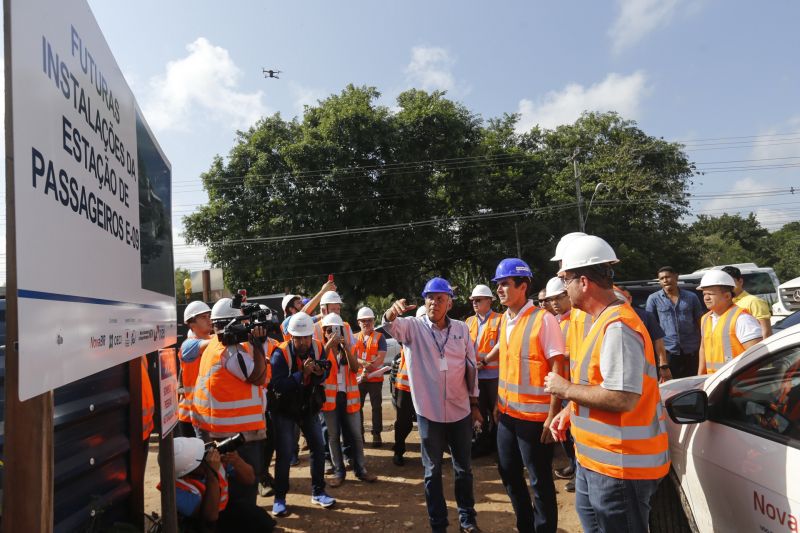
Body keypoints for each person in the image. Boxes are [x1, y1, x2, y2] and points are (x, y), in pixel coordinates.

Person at [544, 235, 670, 532]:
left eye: (566, 280)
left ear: (583, 282)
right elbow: (597, 383)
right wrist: (570, 409)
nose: (564, 288)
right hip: (597, 460)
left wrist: (564, 389)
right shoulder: (600, 320)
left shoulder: (618, 326)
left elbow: (622, 398)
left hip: (621, 467)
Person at [382, 278, 483, 533]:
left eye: (440, 298)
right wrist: (391, 312)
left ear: (449, 303)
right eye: (430, 297)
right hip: (429, 413)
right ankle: (438, 523)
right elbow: (390, 325)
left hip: (460, 411)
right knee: (432, 471)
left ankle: (467, 519)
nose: (434, 303)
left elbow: (471, 366)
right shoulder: (412, 327)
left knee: (463, 469)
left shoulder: (461, 328)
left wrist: (474, 404)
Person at [492, 260, 565, 533]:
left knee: (539, 479)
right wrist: (499, 403)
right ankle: (526, 526)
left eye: (505, 284)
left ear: (523, 286)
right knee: (508, 472)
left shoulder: (543, 320)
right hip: (507, 414)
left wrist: (552, 414)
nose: (499, 289)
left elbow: (558, 367)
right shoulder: (505, 320)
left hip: (535, 418)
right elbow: (508, 364)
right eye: (498, 284)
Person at [191, 297, 268, 511]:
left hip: (221, 429)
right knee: (244, 490)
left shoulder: (215, 346)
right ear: (230, 323)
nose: (247, 327)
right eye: (243, 323)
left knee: (228, 490)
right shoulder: (230, 351)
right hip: (237, 434)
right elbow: (259, 377)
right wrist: (259, 345)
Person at [269, 312, 336, 516]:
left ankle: (318, 492)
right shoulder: (281, 353)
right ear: (291, 336)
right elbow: (278, 385)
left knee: (318, 447)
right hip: (285, 409)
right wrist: (302, 374)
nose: (304, 342)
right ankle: (280, 498)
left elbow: (325, 370)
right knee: (285, 453)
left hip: (308, 406)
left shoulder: (318, 347)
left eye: (307, 337)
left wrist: (319, 373)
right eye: (299, 338)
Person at [169, 436, 275, 532]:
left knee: (259, 518)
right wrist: (212, 475)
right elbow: (210, 517)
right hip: (200, 523)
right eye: (200, 459)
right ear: (187, 471)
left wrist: (237, 461)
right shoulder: (175, 490)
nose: (206, 458)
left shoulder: (210, 463)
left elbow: (250, 479)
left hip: (224, 509)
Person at [320, 312, 378, 486]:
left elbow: (354, 368)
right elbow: (318, 364)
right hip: (330, 401)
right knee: (333, 437)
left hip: (349, 399)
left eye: (336, 330)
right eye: (329, 330)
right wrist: (329, 345)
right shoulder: (321, 349)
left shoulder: (350, 348)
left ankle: (361, 470)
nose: (332, 333)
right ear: (324, 332)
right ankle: (339, 472)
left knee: (356, 436)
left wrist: (345, 347)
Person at [541, 276, 577, 493]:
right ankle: (573, 465)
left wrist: (557, 355)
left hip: (574, 387)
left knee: (574, 434)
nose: (554, 302)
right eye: (551, 299)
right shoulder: (557, 321)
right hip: (561, 387)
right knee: (565, 433)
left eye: (558, 298)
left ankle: (579, 473)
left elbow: (577, 353)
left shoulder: (576, 320)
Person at [696, 271, 763, 375]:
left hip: (738, 381)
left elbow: (757, 356)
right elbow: (703, 349)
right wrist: (700, 376)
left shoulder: (742, 319)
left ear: (727, 296)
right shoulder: (705, 319)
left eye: (710, 294)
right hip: (714, 380)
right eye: (704, 294)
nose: (706, 298)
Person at [645, 266, 705, 378]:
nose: (665, 280)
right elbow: (651, 327)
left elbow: (700, 321)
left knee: (694, 382)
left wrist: (704, 345)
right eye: (661, 278)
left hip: (692, 350)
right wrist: (660, 360)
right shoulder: (653, 299)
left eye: (668, 277)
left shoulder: (691, 297)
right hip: (668, 352)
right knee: (672, 385)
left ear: (676, 277)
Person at [465, 284, 501, 457]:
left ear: (489, 301)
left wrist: (485, 362)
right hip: (476, 376)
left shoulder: (500, 319)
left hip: (494, 376)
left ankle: (498, 446)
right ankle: (482, 444)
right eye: (473, 300)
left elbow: (502, 346)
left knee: (497, 412)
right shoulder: (468, 322)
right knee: (479, 411)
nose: (475, 303)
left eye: (478, 300)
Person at [390, 306, 425, 466]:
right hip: (405, 388)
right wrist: (395, 313)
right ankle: (398, 451)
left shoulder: (437, 337)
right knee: (404, 423)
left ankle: (430, 454)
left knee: (428, 422)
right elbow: (393, 327)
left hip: (425, 388)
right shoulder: (409, 334)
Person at [616, 288, 672, 383]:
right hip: (621, 370)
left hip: (646, 371)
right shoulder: (610, 318)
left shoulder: (646, 316)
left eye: (625, 298)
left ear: (630, 299)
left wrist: (663, 366)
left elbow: (658, 341)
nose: (622, 302)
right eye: (618, 299)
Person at [177, 301, 213, 438]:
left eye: (209, 316)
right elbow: (215, 343)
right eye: (203, 317)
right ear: (192, 324)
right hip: (190, 416)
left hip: (208, 412)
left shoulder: (213, 340)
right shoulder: (189, 345)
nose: (209, 320)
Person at [354, 306, 388, 447]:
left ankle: (376, 434)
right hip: (359, 380)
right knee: (357, 407)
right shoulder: (354, 337)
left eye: (369, 320)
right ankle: (359, 435)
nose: (366, 323)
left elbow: (380, 359)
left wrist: (366, 368)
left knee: (376, 407)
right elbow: (350, 357)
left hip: (375, 379)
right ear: (358, 322)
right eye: (363, 320)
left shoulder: (380, 337)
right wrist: (363, 363)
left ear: (373, 321)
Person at [722, 265, 773, 339]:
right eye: (724, 283)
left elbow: (766, 332)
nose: (728, 286)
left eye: (731, 282)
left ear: (740, 281)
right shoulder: (724, 303)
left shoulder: (754, 302)